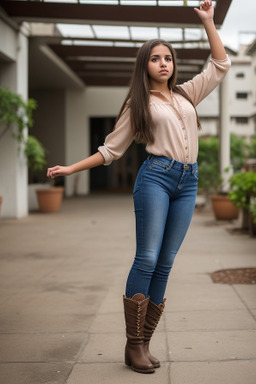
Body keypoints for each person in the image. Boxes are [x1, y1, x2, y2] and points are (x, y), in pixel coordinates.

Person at [47, 0, 231, 374]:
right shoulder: (139, 102)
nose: (164, 63)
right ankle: (133, 345)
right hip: (155, 178)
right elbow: (110, 149)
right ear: (144, 66)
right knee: (147, 258)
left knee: (165, 263)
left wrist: (209, 22)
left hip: (188, 180)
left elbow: (221, 65)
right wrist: (71, 168)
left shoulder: (186, 94)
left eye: (168, 58)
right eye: (155, 58)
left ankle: (144, 343)